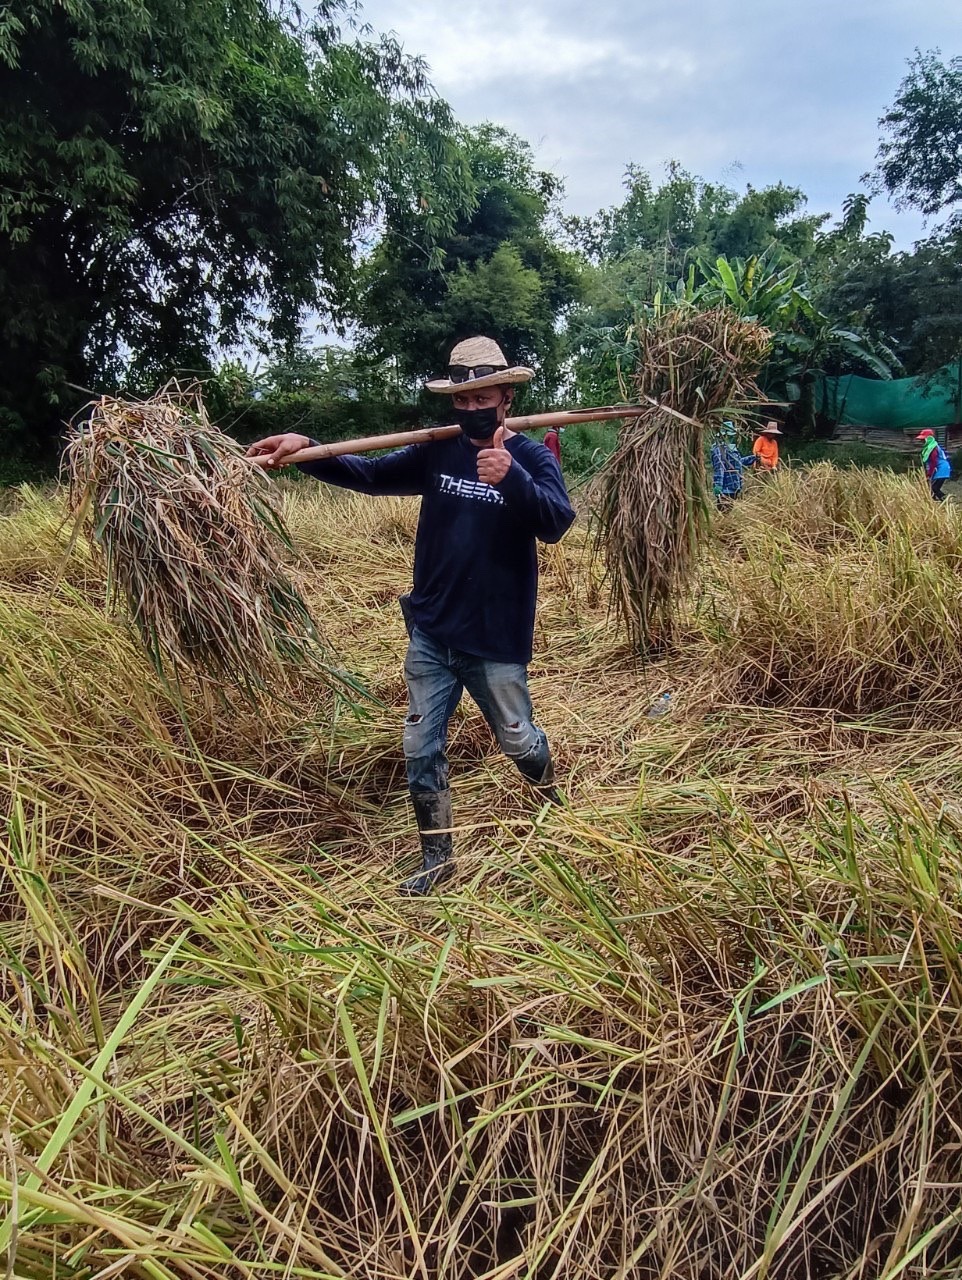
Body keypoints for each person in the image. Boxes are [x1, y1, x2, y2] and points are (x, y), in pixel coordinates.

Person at [246, 336, 575, 895]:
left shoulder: (531, 458)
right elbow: (370, 475)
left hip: (494, 636)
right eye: (462, 400)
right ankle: (437, 858)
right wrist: (309, 450)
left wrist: (512, 480)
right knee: (420, 746)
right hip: (432, 631)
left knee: (517, 740)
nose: (472, 409)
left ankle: (554, 802)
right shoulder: (438, 449)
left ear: (506, 399)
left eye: (482, 398)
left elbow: (556, 523)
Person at [710, 421, 746, 506]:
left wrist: (753, 458)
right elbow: (719, 469)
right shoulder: (719, 449)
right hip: (725, 488)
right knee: (724, 510)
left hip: (734, 486)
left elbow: (738, 463)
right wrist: (718, 488)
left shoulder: (732, 449)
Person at [916, 428, 951, 501]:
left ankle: (946, 500)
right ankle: (934, 503)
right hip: (939, 468)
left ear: (928, 439)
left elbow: (933, 462)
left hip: (941, 469)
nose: (921, 441)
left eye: (923, 439)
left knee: (934, 488)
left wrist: (929, 474)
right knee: (931, 489)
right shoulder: (929, 448)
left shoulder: (933, 448)